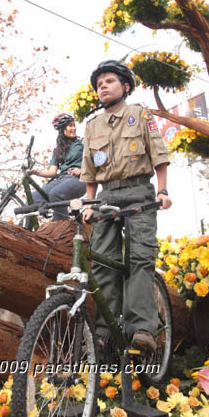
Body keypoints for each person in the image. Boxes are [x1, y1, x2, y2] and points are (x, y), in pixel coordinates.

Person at [81, 60, 172, 354]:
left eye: (109, 81)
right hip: (106, 196)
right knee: (103, 264)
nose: (102, 86)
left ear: (126, 86)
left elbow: (158, 153)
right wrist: (89, 202)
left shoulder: (140, 114)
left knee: (138, 260)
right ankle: (105, 333)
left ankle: (142, 328)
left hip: (139, 193)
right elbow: (88, 170)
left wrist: (163, 191)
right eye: (99, 84)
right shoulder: (92, 125)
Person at [30, 113, 86, 221]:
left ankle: (61, 228)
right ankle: (26, 232)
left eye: (74, 125)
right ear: (62, 129)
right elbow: (52, 172)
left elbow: (94, 161)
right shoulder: (58, 149)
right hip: (61, 179)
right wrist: (36, 172)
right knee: (32, 197)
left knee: (56, 194)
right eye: (70, 126)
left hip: (79, 179)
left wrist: (82, 170)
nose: (73, 128)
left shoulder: (82, 142)